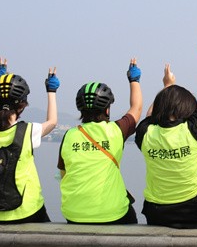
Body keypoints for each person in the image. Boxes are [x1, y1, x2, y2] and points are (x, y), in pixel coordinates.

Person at [134, 39, 197, 229]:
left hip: (156, 214)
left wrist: (167, 86)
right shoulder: (193, 130)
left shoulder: (146, 134)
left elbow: (149, 116)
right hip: (195, 213)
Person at [0, 58, 59, 224]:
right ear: (22, 105)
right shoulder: (28, 131)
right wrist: (51, 90)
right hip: (27, 212)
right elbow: (52, 122)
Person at [57, 59, 143, 225]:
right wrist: (134, 80)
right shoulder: (115, 131)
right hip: (113, 215)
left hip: (74, 214)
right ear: (107, 109)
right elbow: (137, 108)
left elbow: (64, 175)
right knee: (129, 215)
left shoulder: (70, 135)